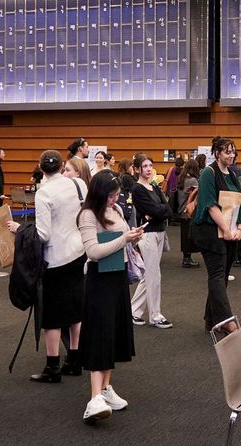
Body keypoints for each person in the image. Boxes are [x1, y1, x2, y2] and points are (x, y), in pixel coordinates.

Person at [76, 170, 143, 424]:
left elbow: (121, 240)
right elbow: (93, 251)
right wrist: (124, 239)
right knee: (100, 333)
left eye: (117, 195)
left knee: (113, 332)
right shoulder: (88, 214)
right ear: (99, 193)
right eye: (111, 195)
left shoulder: (116, 210)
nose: (115, 200)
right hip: (100, 280)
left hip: (118, 277)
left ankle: (105, 388)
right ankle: (94, 397)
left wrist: (133, 238)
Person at [32, 149, 87, 383]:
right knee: (76, 308)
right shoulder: (78, 185)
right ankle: (74, 360)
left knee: (52, 315)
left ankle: (52, 367)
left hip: (55, 258)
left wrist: (21, 231)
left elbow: (43, 234)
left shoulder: (43, 193)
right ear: (62, 165)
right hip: (79, 251)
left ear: (41, 167)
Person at [191, 137, 241, 333]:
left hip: (229, 232)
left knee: (221, 276)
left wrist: (239, 229)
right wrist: (227, 230)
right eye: (227, 152)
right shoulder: (209, 173)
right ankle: (226, 321)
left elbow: (240, 204)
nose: (231, 155)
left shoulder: (233, 174)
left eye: (233, 151)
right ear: (217, 153)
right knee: (217, 275)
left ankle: (211, 320)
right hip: (209, 233)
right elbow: (210, 205)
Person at [130, 154, 173, 329]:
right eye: (145, 166)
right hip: (147, 234)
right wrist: (158, 211)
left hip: (159, 231)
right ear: (137, 169)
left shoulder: (154, 186)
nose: (148, 169)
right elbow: (156, 210)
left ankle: (133, 311)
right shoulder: (137, 189)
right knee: (153, 275)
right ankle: (155, 316)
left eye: (150, 165)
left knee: (149, 274)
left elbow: (167, 209)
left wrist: (158, 211)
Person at [177, 159, 202, 268]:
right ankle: (187, 259)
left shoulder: (181, 179)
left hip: (182, 210)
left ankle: (186, 257)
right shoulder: (193, 181)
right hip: (189, 211)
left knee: (184, 235)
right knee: (189, 236)